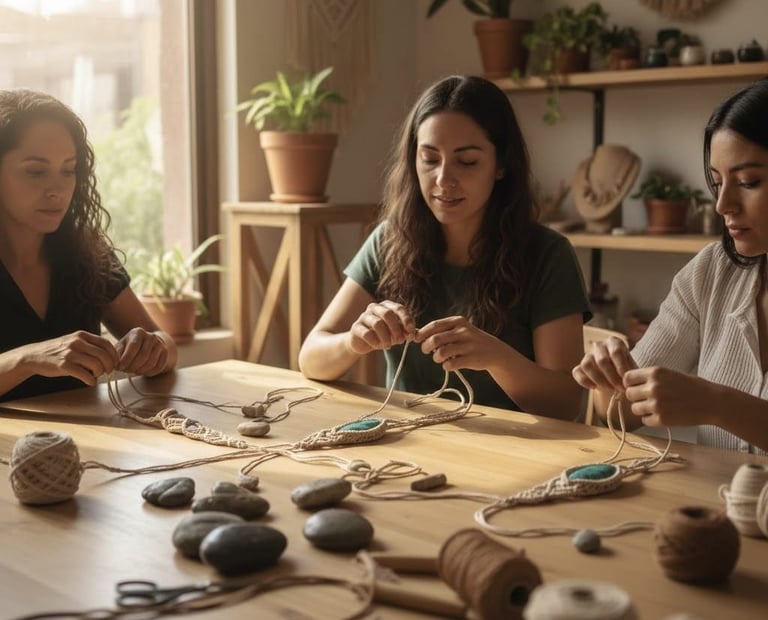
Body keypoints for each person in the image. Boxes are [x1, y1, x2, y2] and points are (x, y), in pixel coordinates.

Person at [298, 75, 591, 419]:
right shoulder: (391, 239)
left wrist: (496, 357)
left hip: (513, 454)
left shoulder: (548, 255)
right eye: (429, 158)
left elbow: (566, 403)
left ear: (501, 166)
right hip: (408, 446)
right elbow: (311, 358)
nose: (443, 179)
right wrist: (353, 342)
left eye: (466, 162)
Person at [573, 78, 768, 455]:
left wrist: (717, 404)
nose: (722, 204)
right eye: (716, 182)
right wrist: (609, 379)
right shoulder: (711, 273)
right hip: (714, 511)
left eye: (748, 181)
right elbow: (622, 413)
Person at [0, 88, 177, 402]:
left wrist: (153, 349)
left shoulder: (85, 250)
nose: (57, 189)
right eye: (36, 172)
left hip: (87, 444)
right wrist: (26, 360)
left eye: (68, 170)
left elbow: (165, 343)